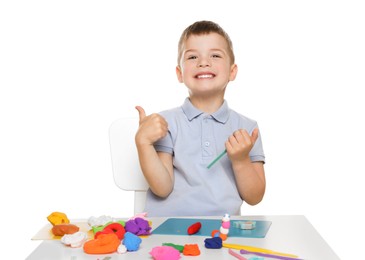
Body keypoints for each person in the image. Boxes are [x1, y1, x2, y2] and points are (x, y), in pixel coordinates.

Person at [135, 20, 265, 217]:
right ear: (180, 74)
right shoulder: (166, 123)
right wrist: (143, 142)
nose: (203, 62)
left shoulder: (247, 128)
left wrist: (240, 161)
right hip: (169, 228)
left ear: (232, 71)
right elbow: (162, 188)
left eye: (215, 55)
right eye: (193, 56)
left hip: (223, 231)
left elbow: (255, 197)